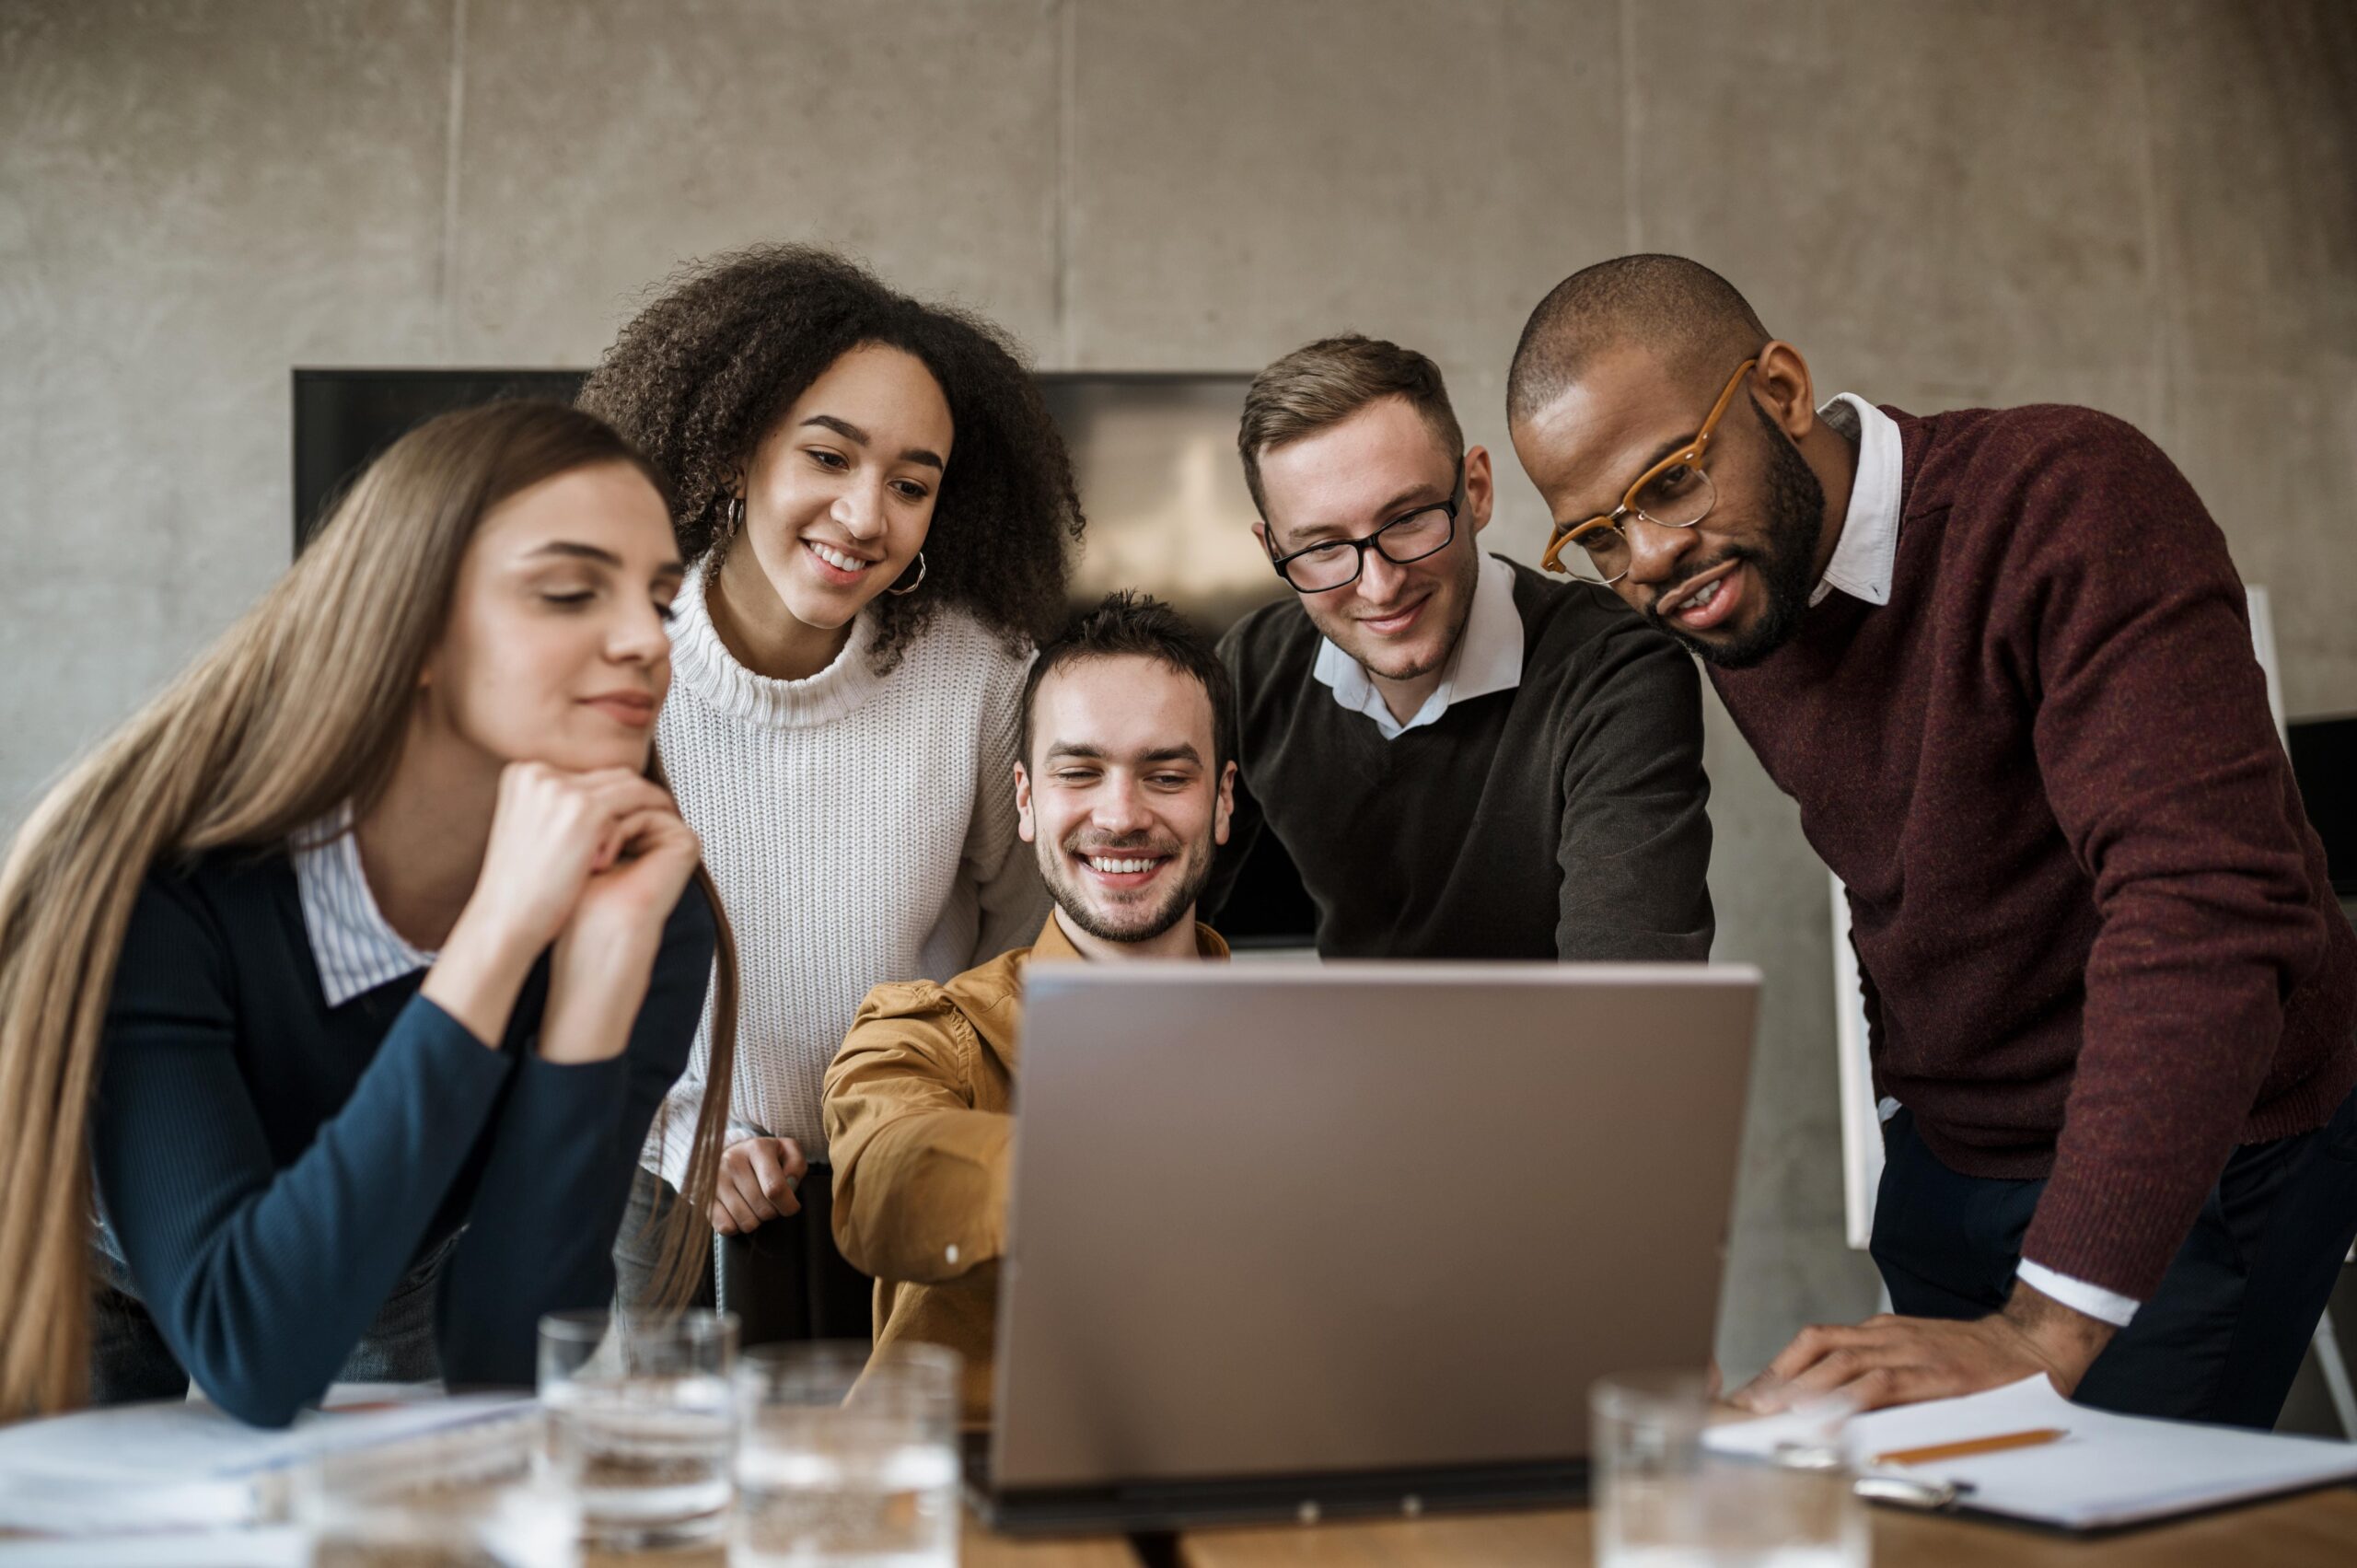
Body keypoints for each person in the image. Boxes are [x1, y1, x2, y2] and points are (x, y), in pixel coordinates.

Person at [1505, 253, 2357, 1428]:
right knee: (1901, 1498)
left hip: (2199, 1146)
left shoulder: (2066, 496)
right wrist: (1907, 1121)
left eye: (1670, 481)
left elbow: (2207, 904)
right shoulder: (1743, 591)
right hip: (1950, 1159)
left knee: (2089, 1515)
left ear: (1781, 391)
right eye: (1598, 534)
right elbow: (1891, 878)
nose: (1647, 558)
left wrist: (2042, 1329)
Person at [0, 401, 734, 1425]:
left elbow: (504, 1356)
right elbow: (251, 1348)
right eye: (569, 592)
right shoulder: (161, 889)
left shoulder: (647, 907)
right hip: (86, 1252)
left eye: (660, 603)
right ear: (411, 626)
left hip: (375, 1253)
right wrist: (498, 932)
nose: (645, 642)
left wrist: (595, 989)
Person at [579, 246, 1078, 1336]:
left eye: (910, 484)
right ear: (735, 451)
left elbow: (1022, 939)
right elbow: (542, 963)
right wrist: (679, 1132)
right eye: (828, 456)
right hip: (661, 1185)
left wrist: (926, 1117)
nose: (863, 515)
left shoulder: (982, 676)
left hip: (914, 1175)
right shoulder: (610, 663)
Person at [824, 592, 1234, 1421]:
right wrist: (1131, 1179)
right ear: (1024, 799)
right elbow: (883, 1180)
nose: (1121, 815)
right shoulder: (926, 1033)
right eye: (1079, 772)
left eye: (1166, 775)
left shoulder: (1311, 1051)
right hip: (966, 1485)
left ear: (1222, 801)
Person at [1210, 334, 1713, 960]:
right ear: (1273, 551)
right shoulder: (1253, 667)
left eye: (1408, 520)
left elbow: (1628, 988)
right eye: (1322, 548)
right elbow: (1157, 911)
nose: (1380, 586)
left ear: (1475, 490)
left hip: (1559, 1031)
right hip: (1349, 1026)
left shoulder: (1616, 671)